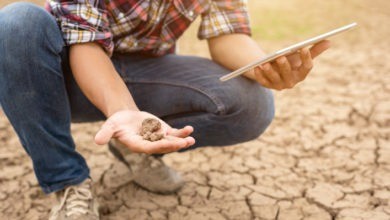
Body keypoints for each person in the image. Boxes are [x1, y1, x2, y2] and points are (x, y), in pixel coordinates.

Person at [0, 0, 330, 219]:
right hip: (62, 74)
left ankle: (137, 146)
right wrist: (123, 110)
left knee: (252, 102)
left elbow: (227, 34)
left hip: (143, 72)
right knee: (16, 22)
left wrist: (262, 68)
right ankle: (66, 179)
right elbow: (86, 45)